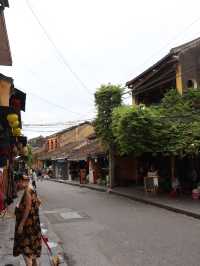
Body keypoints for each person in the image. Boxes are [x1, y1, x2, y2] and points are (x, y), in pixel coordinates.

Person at [13, 175, 42, 266]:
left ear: (22, 181)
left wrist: (21, 225)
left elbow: (28, 209)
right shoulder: (32, 188)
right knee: (32, 253)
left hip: (28, 227)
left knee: (27, 253)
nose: (17, 185)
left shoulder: (27, 191)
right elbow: (38, 202)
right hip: (34, 225)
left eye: (18, 183)